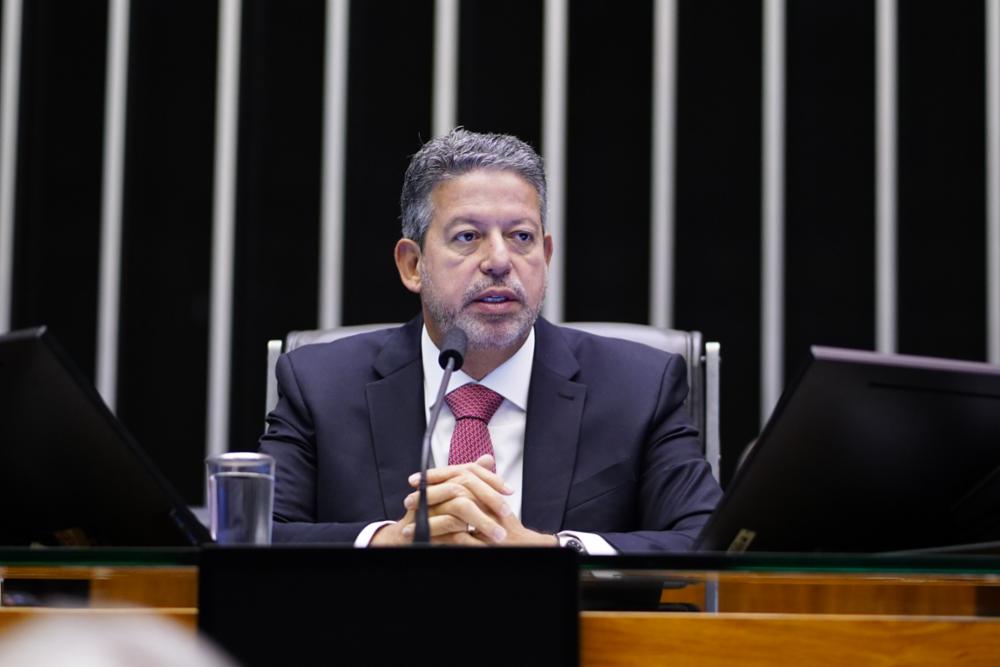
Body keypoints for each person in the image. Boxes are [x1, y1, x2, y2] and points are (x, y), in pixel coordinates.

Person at [259, 129, 721, 553]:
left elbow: (706, 538)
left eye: (521, 237)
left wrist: (552, 552)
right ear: (413, 265)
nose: (499, 260)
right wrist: (388, 541)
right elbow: (253, 532)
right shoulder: (319, 386)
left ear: (546, 254)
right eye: (468, 236)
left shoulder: (639, 386)